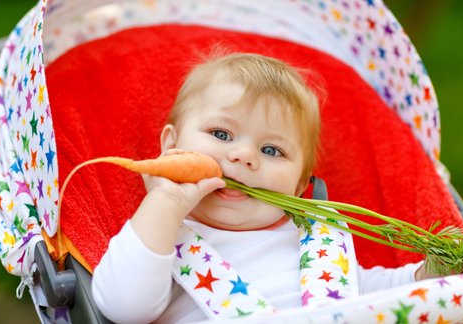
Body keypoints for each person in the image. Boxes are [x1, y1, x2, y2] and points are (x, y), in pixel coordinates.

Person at [92, 52, 438, 323]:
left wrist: (429, 274)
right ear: (171, 147)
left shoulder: (314, 240)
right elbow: (124, 308)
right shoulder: (158, 236)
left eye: (271, 150)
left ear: (300, 185)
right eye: (221, 134)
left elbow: (366, 295)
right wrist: (165, 200)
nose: (243, 156)